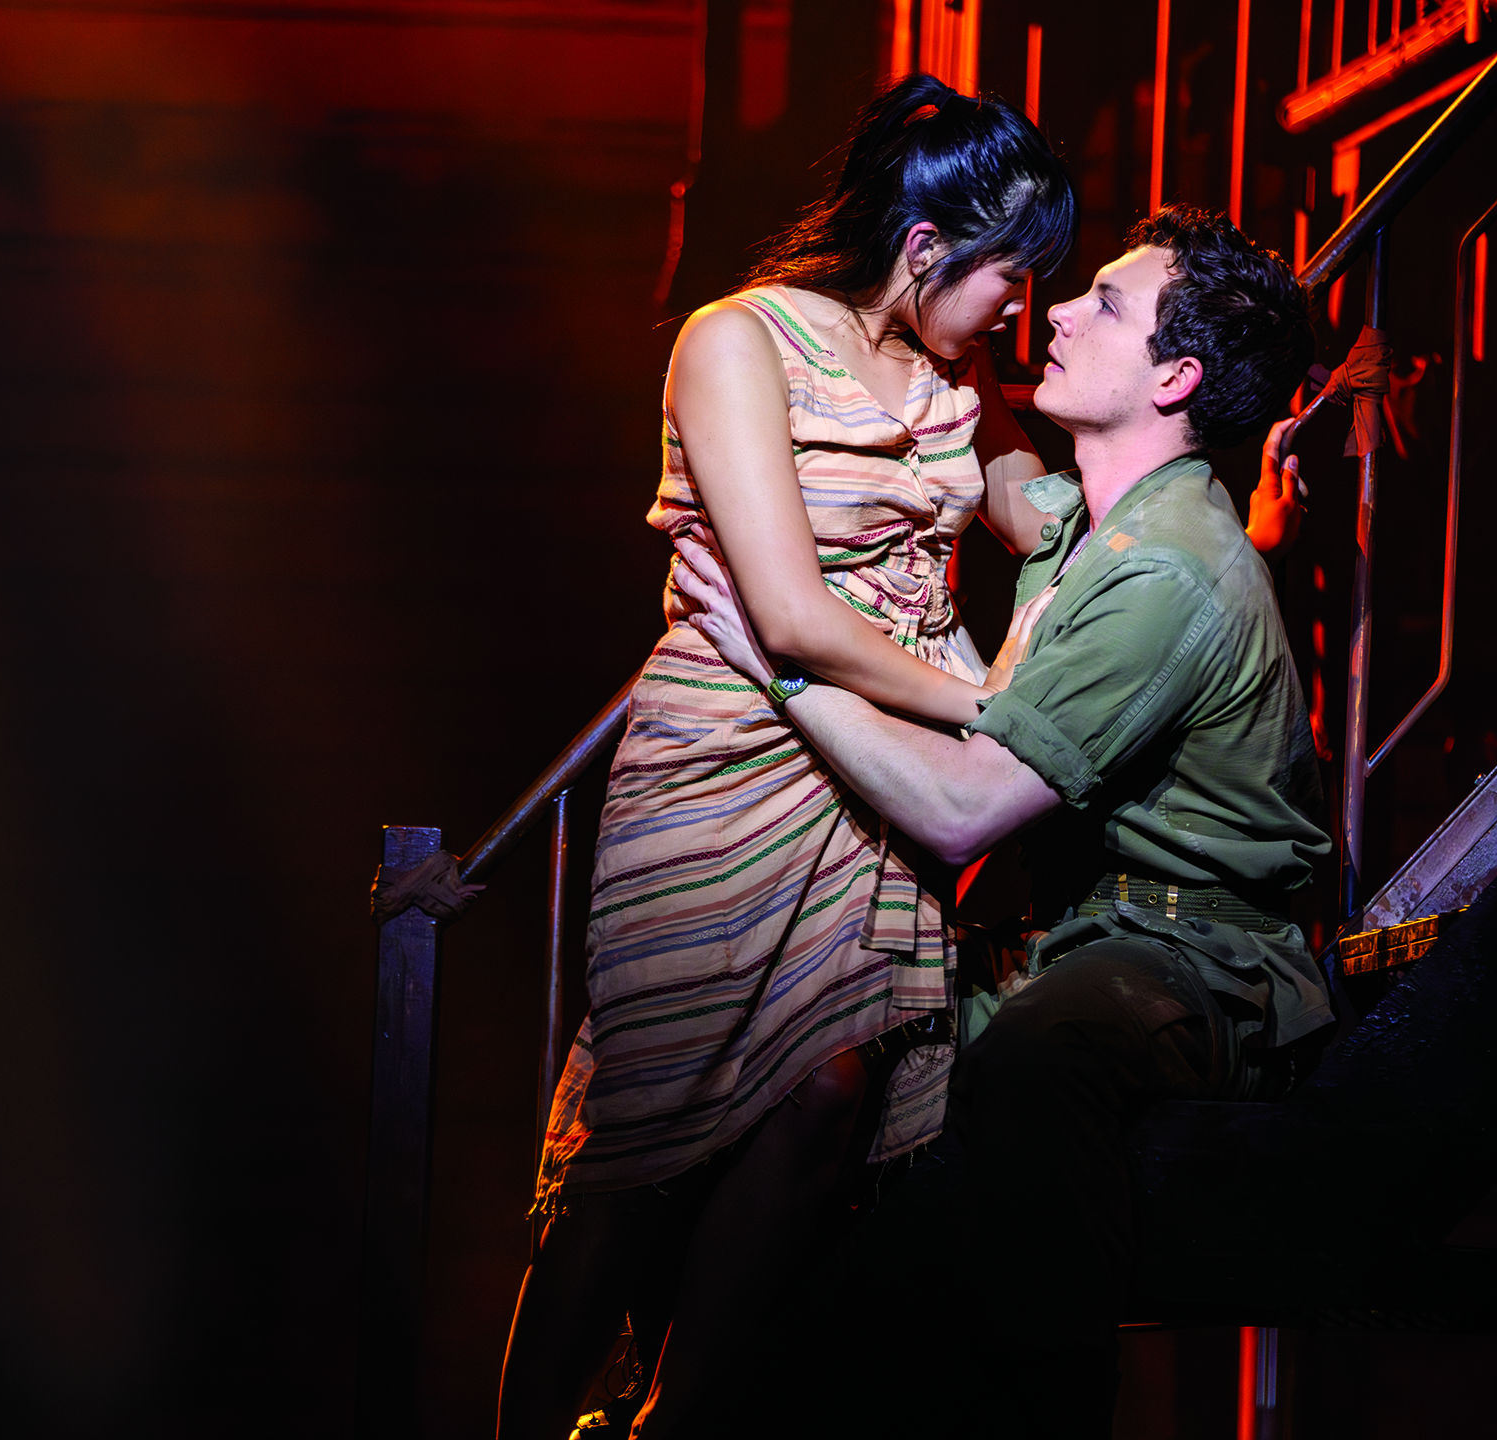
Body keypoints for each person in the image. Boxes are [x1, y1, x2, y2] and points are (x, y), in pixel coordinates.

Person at [670, 205, 1332, 1438]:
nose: (1059, 309)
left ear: (1176, 378)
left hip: (1196, 959)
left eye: (1106, 305)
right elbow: (993, 460)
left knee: (1040, 1059)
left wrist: (780, 657)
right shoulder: (1093, 520)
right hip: (1076, 934)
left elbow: (965, 808)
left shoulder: (1167, 569)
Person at [493, 75, 1076, 1440]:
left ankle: (674, 1424)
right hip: (728, 757)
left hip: (876, 789)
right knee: (640, 1145)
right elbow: (793, 613)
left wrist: (1158, 518)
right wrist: (987, 706)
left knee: (828, 1102)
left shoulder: (953, 378)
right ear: (928, 250)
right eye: (1010, 277)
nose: (1020, 311)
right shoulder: (736, 341)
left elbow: (1038, 509)